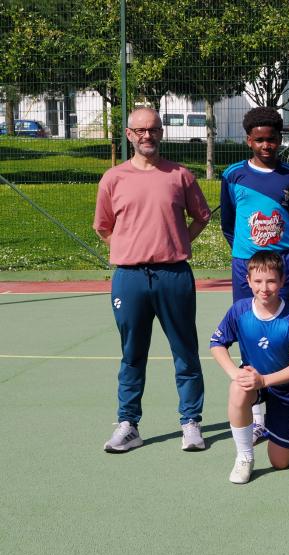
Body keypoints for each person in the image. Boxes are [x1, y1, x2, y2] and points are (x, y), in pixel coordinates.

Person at [94, 107, 211, 453]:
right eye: (140, 130)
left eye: (154, 129)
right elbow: (103, 226)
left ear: (161, 133)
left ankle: (191, 422)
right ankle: (128, 424)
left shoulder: (180, 175)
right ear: (129, 134)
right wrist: (129, 248)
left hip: (173, 275)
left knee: (185, 352)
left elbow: (201, 217)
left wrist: (177, 242)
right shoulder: (113, 179)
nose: (148, 136)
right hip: (129, 278)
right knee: (132, 354)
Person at [220, 106, 289, 443]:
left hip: (281, 263)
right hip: (245, 266)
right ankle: (256, 415)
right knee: (250, 334)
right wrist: (249, 256)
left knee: (285, 336)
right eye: (259, 140)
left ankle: (286, 411)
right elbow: (228, 223)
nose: (266, 146)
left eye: (271, 140)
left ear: (280, 139)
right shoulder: (233, 175)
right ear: (248, 141)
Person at [210, 252, 289, 484]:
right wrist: (236, 373)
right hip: (253, 383)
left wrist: (264, 380)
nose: (264, 288)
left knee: (280, 462)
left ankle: (278, 429)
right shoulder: (240, 310)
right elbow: (217, 344)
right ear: (248, 280)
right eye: (258, 281)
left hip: (284, 389)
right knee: (238, 387)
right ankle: (244, 456)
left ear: (283, 281)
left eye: (271, 281)